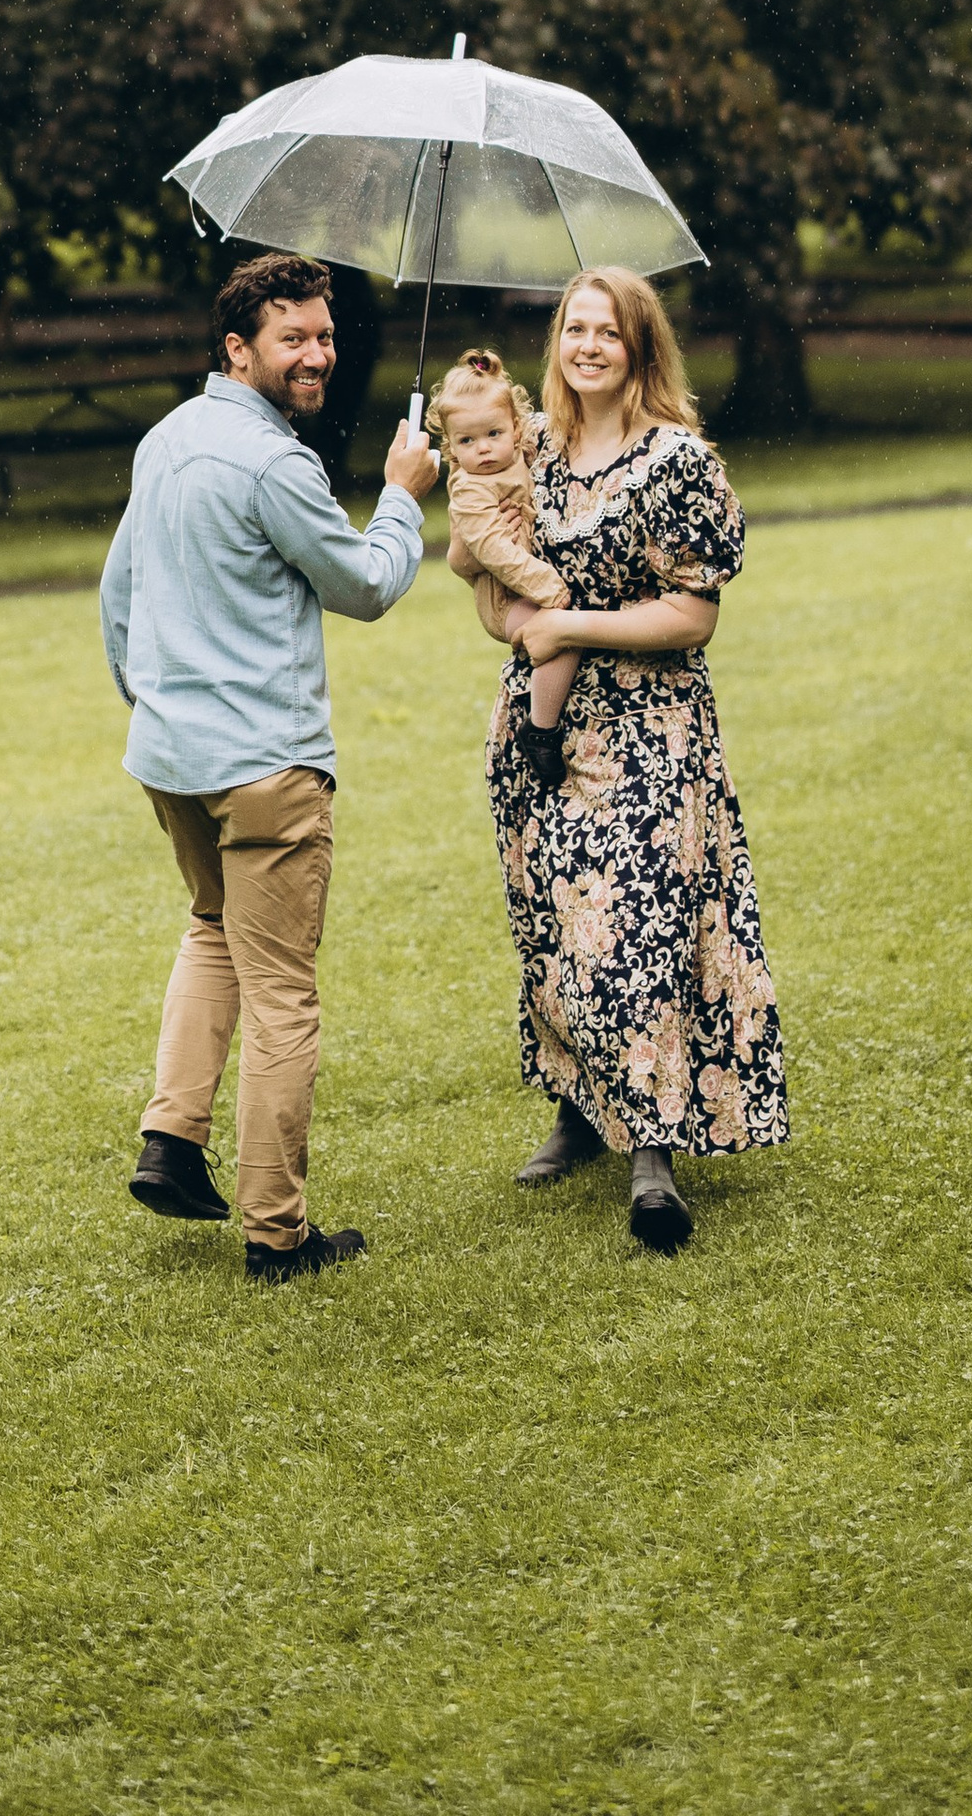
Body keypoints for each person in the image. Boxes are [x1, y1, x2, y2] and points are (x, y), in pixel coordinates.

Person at [101, 249, 435, 1284]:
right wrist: (403, 493)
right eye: (293, 337)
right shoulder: (274, 464)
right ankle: (276, 1235)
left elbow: (118, 597)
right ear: (237, 348)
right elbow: (367, 583)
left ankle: (170, 1139)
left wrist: (158, 704)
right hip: (265, 770)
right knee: (284, 993)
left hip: (171, 760)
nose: (317, 354)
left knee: (213, 930)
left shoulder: (166, 441)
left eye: (326, 335)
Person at [484, 266, 788, 1253]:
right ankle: (576, 1111)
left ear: (639, 348)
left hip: (647, 733)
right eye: (573, 329)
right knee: (553, 931)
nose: (586, 346)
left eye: (606, 332)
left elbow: (692, 614)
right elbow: (495, 587)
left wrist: (571, 619)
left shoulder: (676, 463)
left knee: (638, 934)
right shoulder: (533, 453)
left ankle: (652, 1152)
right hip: (538, 725)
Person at [429, 349, 579, 786]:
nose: (483, 449)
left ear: (516, 428)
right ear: (451, 446)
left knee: (563, 631)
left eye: (493, 433)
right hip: (504, 599)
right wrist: (547, 586)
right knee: (562, 636)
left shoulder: (519, 452)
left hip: (528, 586)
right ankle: (542, 729)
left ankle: (544, 719)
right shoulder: (470, 488)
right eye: (467, 442)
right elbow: (493, 549)